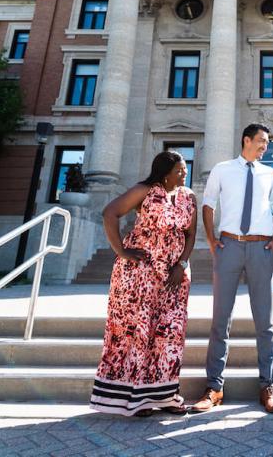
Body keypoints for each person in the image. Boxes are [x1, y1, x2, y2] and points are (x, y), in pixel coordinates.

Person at [89, 150, 197, 417]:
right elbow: (109, 213)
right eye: (179, 170)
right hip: (139, 275)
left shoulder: (188, 196)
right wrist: (122, 252)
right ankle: (134, 398)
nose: (184, 174)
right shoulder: (145, 190)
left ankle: (166, 395)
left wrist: (181, 264)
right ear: (164, 172)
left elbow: (191, 234)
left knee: (170, 335)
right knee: (136, 333)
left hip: (174, 276)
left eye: (184, 169)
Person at [191, 123, 273, 414]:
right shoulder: (222, 169)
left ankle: (268, 387)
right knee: (220, 320)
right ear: (246, 140)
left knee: (265, 323)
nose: (265, 147)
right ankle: (214, 388)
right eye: (262, 141)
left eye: (267, 143)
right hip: (229, 246)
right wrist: (210, 239)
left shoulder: (270, 174)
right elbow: (207, 204)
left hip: (261, 248)